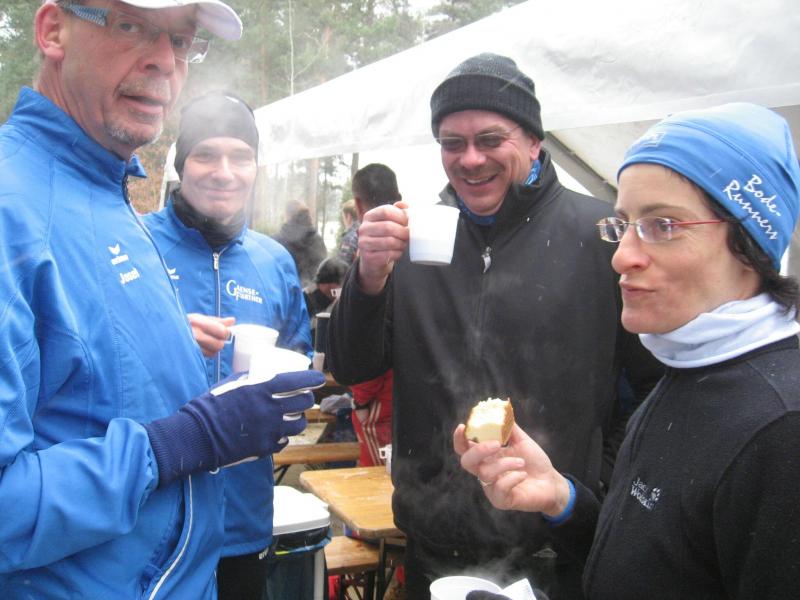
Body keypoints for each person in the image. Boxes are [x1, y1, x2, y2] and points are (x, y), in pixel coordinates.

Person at [0, 2, 323, 598]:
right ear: (52, 30)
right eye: (130, 26)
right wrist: (187, 440)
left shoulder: (107, 193)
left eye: (181, 40)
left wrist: (169, 346)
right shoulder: (13, 206)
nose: (163, 62)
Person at [327, 52, 662, 599]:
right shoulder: (412, 237)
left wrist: (592, 484)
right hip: (433, 540)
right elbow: (351, 366)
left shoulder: (601, 234)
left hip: (556, 546)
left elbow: (653, 385)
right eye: (452, 143)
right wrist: (368, 276)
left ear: (533, 142)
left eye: (490, 139)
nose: (470, 159)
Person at [455, 103, 800, 599]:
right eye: (623, 225)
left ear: (749, 244)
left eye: (663, 226)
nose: (621, 256)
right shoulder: (688, 368)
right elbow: (654, 564)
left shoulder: (782, 430)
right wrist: (561, 499)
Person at [143, 91, 313, 600]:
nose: (224, 172)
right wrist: (169, 341)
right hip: (153, 519)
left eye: (240, 157)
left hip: (244, 519)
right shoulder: (134, 244)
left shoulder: (274, 261)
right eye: (206, 154)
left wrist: (288, 395)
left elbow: (299, 364)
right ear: (181, 165)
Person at [347, 163, 402, 466]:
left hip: (381, 392)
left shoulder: (371, 251)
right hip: (415, 389)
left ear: (358, 205)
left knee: (376, 476)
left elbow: (365, 333)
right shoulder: (417, 238)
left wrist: (361, 399)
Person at [274, 199, 328, 287]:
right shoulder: (317, 240)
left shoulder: (276, 242)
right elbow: (324, 270)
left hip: (285, 291)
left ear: (287, 216)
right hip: (312, 291)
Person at [305, 256, 349, 321]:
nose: (342, 290)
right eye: (342, 285)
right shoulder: (304, 300)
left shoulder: (316, 293)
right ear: (329, 284)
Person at [337, 198, 360, 265]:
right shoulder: (364, 232)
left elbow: (343, 265)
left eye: (343, 217)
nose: (343, 221)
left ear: (348, 216)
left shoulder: (349, 238)